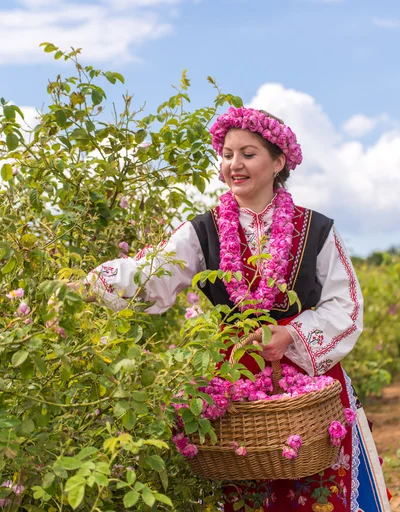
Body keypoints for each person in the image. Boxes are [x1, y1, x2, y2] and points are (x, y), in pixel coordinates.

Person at [82, 107, 391, 511]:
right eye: (227, 154)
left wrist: (291, 335)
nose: (234, 165)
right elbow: (153, 271)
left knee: (317, 488)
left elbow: (345, 304)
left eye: (248, 153)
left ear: (278, 162)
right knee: (244, 490)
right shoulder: (203, 229)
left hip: (307, 378)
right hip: (234, 376)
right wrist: (88, 285)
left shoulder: (315, 228)